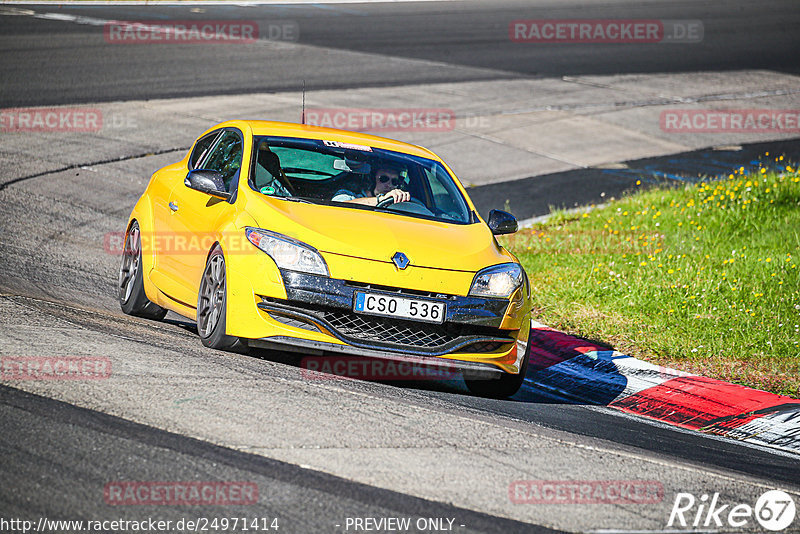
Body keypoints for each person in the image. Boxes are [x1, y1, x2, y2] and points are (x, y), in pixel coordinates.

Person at [332, 164, 411, 206]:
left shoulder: (399, 204)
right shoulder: (348, 195)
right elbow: (336, 206)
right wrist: (381, 200)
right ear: (371, 180)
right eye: (383, 179)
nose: (389, 185)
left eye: (394, 181)